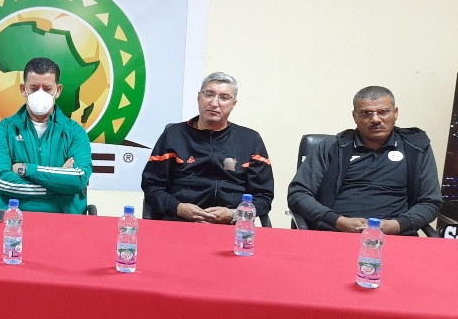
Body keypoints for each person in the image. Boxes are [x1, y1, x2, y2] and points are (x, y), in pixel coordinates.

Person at [288, 86, 442, 235]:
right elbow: (298, 194)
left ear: (395, 113)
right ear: (355, 116)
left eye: (383, 112)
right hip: (335, 232)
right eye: (366, 113)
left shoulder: (416, 148)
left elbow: (430, 202)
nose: (375, 119)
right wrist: (337, 221)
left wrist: (398, 225)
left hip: (396, 235)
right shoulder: (331, 147)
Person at [141, 72, 273, 223]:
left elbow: (263, 196)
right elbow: (152, 186)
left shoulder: (250, 139)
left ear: (233, 104)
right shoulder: (173, 135)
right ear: (199, 97)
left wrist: (234, 215)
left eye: (224, 97)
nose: (215, 103)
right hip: (179, 221)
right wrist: (178, 208)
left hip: (231, 226)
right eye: (209, 94)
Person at [0, 57, 92, 214]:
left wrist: (26, 169)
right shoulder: (5, 129)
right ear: (23, 89)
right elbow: (0, 181)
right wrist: (58, 184)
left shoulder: (75, 132)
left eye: (47, 88)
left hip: (63, 216)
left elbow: (79, 179)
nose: (40, 94)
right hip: (10, 215)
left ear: (58, 90)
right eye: (34, 88)